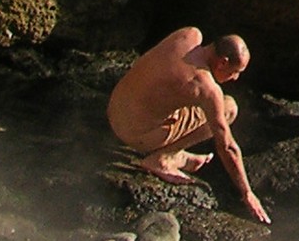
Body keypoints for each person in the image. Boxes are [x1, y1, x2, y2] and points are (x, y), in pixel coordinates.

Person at [106, 28, 269, 222]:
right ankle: (163, 159)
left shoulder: (188, 35)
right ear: (223, 62)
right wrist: (247, 193)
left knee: (177, 98)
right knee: (228, 108)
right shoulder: (206, 88)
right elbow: (227, 146)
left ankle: (178, 154)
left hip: (114, 110)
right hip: (134, 133)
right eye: (235, 72)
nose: (235, 78)